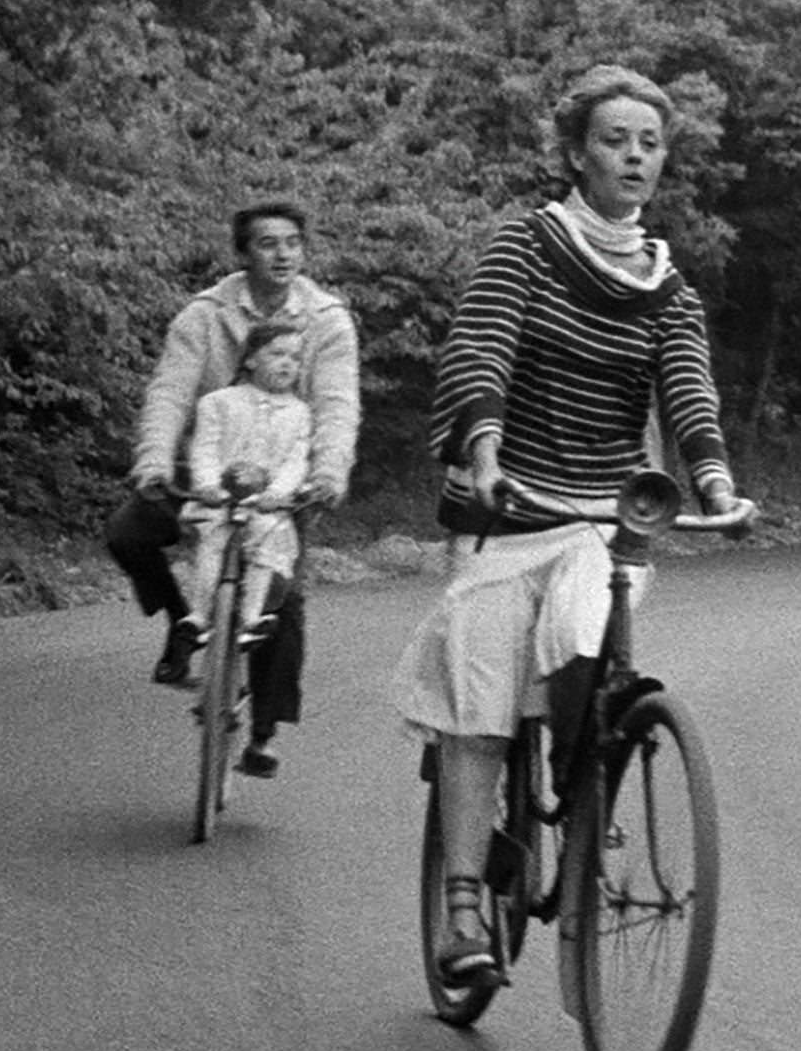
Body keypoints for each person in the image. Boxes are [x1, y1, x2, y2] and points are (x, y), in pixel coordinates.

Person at [394, 63, 745, 987]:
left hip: (602, 516)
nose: (634, 156)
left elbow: (688, 391)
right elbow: (484, 346)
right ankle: (466, 905)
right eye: (613, 140)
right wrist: (482, 454)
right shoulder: (527, 244)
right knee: (479, 704)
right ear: (575, 153)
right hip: (510, 513)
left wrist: (712, 484)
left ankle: (574, 792)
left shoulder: (667, 284)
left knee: (589, 641)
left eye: (649, 143)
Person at [108, 200, 359, 777]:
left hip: (280, 479)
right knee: (127, 533)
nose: (283, 255)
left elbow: (336, 407)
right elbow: (170, 392)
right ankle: (182, 623)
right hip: (209, 475)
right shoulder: (204, 315)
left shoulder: (327, 320)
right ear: (243, 255)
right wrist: (152, 462)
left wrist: (326, 474)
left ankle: (264, 733)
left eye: (293, 243)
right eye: (268, 244)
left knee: (285, 601)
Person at [178, 325, 313, 777]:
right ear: (251, 357)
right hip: (220, 502)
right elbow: (206, 450)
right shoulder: (218, 403)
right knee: (213, 542)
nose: (287, 365)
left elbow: (296, 460)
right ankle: (199, 617)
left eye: (295, 358)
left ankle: (253, 621)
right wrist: (208, 486)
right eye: (277, 354)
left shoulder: (299, 414)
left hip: (265, 507)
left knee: (272, 546)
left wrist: (280, 493)